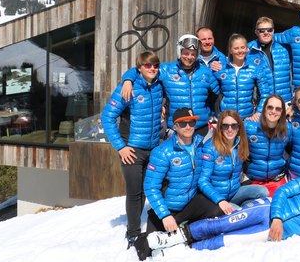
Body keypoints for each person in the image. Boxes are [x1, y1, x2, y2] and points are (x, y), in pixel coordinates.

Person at [138, 159, 300, 259]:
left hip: (276, 231)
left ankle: (182, 251)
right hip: (267, 211)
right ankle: (172, 237)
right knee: (223, 224)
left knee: (227, 241)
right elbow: (283, 191)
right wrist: (277, 217)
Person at [100, 51, 164, 247]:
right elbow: (107, 117)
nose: (152, 69)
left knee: (148, 189)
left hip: (153, 148)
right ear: (139, 69)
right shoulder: (128, 88)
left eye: (154, 65)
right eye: (147, 66)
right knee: (134, 192)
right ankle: (133, 233)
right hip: (132, 150)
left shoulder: (159, 84)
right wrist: (121, 147)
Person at [142, 108, 224, 239]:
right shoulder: (163, 151)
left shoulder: (201, 145)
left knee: (216, 210)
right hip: (170, 208)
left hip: (191, 203)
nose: (188, 127)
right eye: (182, 123)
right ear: (175, 126)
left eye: (191, 123)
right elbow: (150, 187)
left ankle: (190, 231)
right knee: (150, 247)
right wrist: (165, 215)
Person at [122, 34, 220, 136]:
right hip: (177, 127)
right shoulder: (167, 70)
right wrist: (128, 80)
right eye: (186, 53)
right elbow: (141, 70)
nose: (189, 57)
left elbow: (217, 95)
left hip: (200, 128)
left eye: (193, 54)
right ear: (179, 52)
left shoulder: (205, 72)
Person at [198, 109, 268, 213]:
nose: (230, 129)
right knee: (236, 211)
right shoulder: (210, 148)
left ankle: (242, 209)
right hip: (216, 197)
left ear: (239, 127)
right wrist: (220, 200)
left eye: (234, 126)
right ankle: (240, 211)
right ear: (220, 128)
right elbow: (202, 181)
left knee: (263, 192)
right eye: (225, 126)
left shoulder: (240, 144)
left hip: (234, 192)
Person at [214, 33, 272, 119]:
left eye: (242, 47)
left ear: (247, 49)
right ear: (230, 50)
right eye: (236, 48)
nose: (240, 51)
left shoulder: (255, 68)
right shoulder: (221, 68)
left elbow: (265, 93)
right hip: (226, 118)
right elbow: (212, 93)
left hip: (247, 118)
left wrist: (258, 112)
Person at [243, 94, 292, 195]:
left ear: (282, 112)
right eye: (270, 107)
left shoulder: (288, 130)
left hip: (276, 180)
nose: (273, 111)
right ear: (264, 108)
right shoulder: (248, 126)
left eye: (278, 109)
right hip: (253, 180)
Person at [247, 17, 293, 104]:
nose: (266, 33)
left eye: (269, 30)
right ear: (256, 32)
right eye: (262, 30)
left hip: (285, 101)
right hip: (263, 103)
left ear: (273, 31)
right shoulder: (249, 50)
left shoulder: (285, 47)